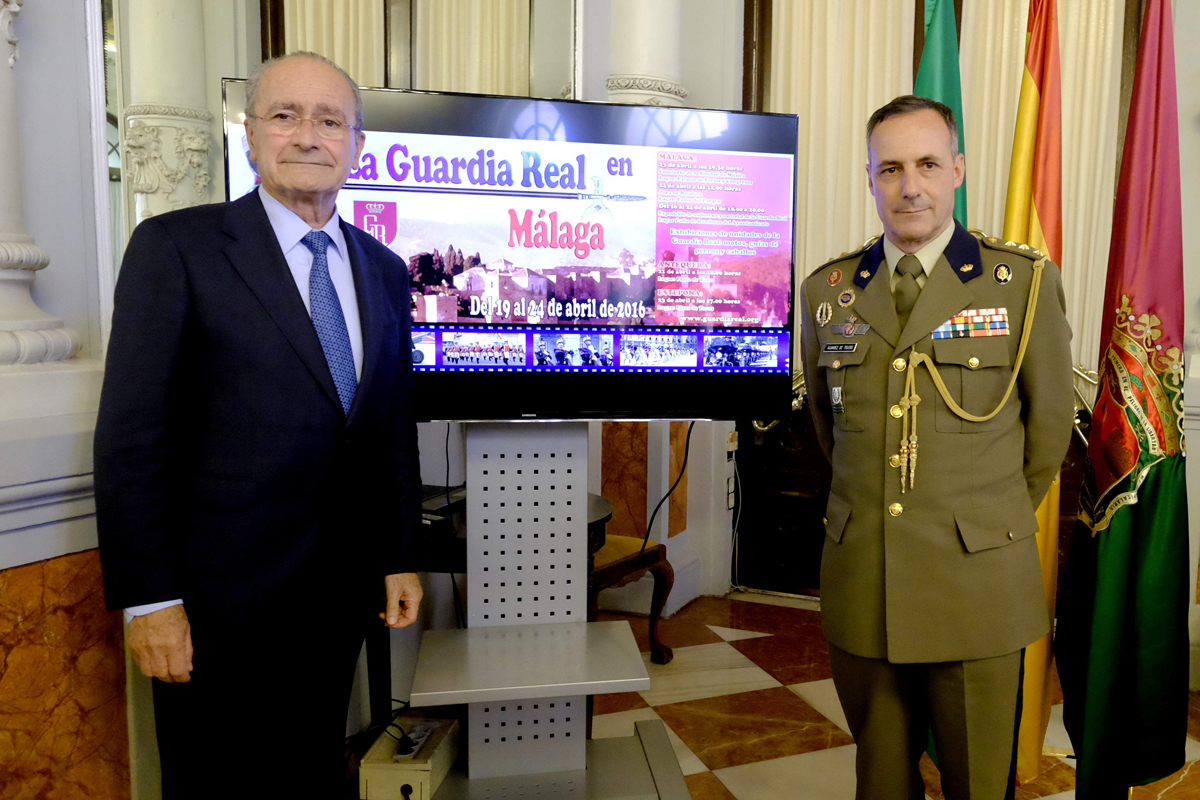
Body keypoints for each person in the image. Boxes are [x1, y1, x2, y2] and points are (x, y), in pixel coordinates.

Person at [94, 52, 424, 799]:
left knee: (308, 773)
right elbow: (131, 439)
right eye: (285, 115)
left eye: (329, 120)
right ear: (249, 135)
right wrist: (151, 602)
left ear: (356, 146)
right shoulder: (176, 250)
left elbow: (388, 427)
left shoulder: (385, 269)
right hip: (215, 611)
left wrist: (399, 555)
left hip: (337, 600)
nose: (308, 135)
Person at [799, 95, 1074, 800]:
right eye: (889, 169)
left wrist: (980, 522)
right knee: (881, 784)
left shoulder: (1020, 285)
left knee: (978, 784)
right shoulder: (827, 292)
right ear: (870, 179)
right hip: (865, 583)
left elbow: (1046, 438)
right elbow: (833, 437)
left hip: (974, 584)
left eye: (925, 164)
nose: (909, 186)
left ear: (956, 170)